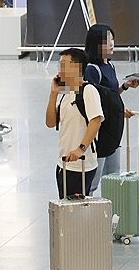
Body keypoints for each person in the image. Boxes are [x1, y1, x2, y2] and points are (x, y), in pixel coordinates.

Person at [82, 25, 139, 194]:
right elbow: (93, 100)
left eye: (112, 39)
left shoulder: (109, 65)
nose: (111, 44)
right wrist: (117, 111)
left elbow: (111, 96)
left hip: (113, 129)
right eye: (107, 41)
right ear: (95, 44)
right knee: (93, 181)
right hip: (99, 132)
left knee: (113, 178)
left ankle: (110, 214)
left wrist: (125, 86)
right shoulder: (91, 70)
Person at [45, 48, 104, 199]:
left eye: (64, 65)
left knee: (75, 216)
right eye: (60, 66)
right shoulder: (67, 94)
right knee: (66, 211)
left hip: (80, 165)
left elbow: (96, 120)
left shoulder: (88, 90)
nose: (60, 70)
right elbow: (50, 123)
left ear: (77, 67)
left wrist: (81, 149)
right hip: (64, 164)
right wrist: (54, 94)